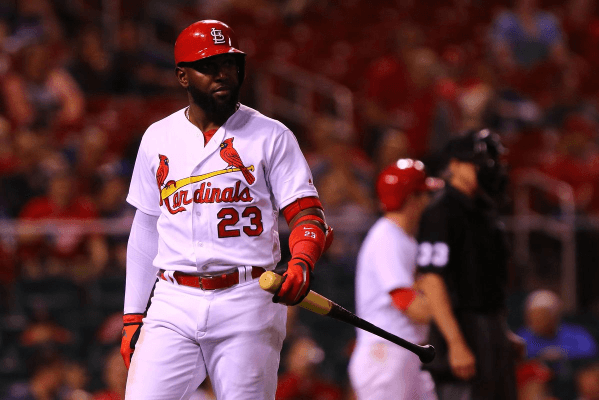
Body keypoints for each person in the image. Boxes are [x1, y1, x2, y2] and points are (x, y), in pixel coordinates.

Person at [120, 19, 333, 400]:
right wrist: (134, 313)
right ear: (182, 76)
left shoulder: (272, 135)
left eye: (229, 63)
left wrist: (302, 261)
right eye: (209, 66)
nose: (222, 73)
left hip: (247, 298)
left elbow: (307, 215)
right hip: (173, 300)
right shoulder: (158, 137)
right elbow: (147, 226)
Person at [416, 129, 523, 400]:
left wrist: (501, 331)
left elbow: (487, 282)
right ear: (454, 165)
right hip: (461, 327)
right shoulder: (441, 210)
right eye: (479, 162)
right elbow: (431, 279)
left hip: (490, 327)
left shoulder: (485, 210)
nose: (489, 168)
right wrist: (455, 343)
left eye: (492, 162)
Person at [348, 159, 442, 400]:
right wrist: (452, 317)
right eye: (424, 194)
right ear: (411, 199)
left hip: (405, 351)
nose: (428, 201)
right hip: (386, 354)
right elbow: (407, 303)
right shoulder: (387, 237)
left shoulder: (403, 238)